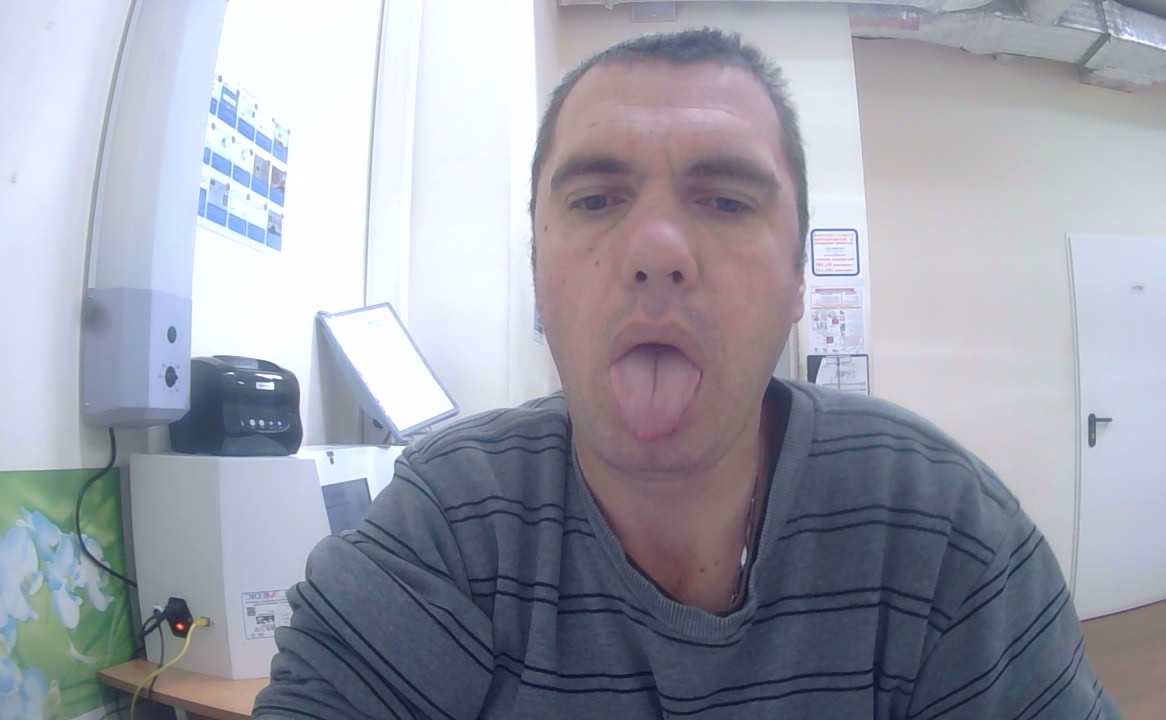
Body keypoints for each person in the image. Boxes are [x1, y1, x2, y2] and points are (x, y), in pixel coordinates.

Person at [254, 28, 1121, 719]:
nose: (657, 249)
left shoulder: (945, 532)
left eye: (727, 200)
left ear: (797, 280)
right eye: (596, 199)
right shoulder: (451, 521)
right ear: (537, 273)